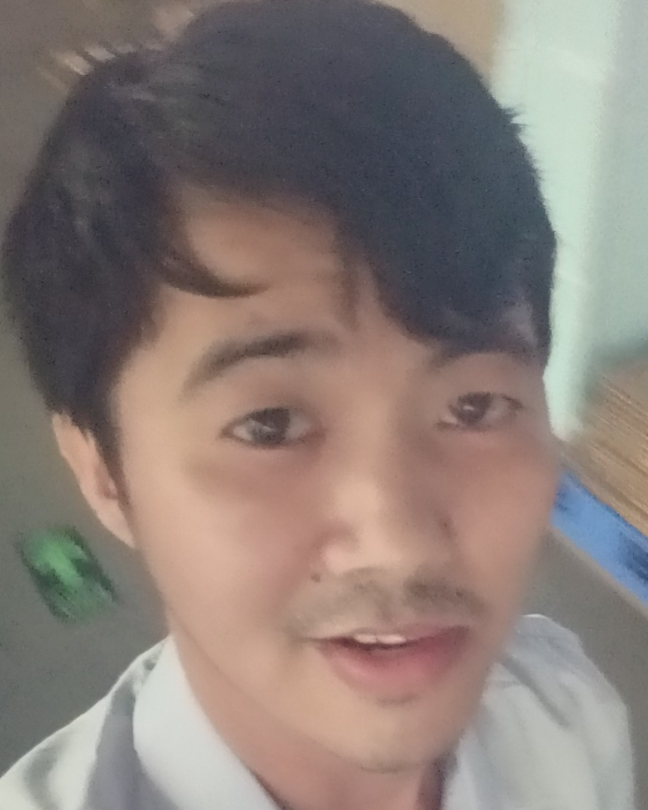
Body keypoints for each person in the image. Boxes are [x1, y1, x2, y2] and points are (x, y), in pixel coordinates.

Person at [0, 1, 635, 808]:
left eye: (475, 407)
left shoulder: (569, 726)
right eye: (271, 426)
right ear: (104, 474)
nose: (398, 542)